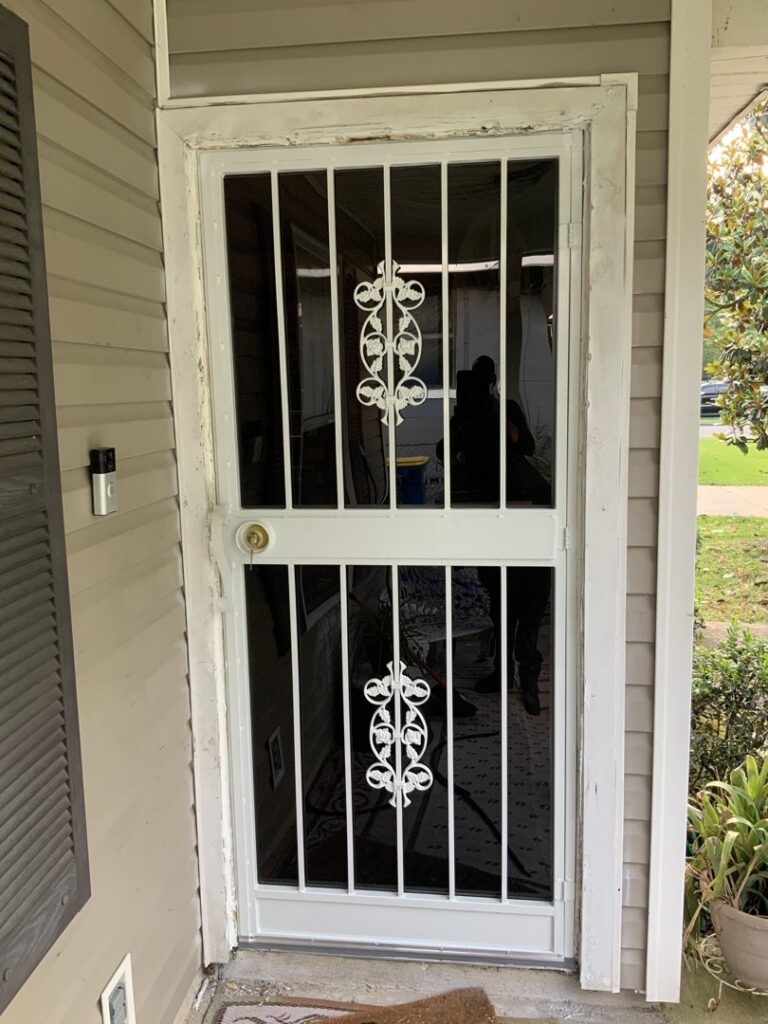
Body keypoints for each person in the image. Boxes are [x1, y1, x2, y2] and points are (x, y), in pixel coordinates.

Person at [438, 356, 551, 715]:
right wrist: (462, 424)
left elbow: (528, 446)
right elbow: (444, 451)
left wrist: (500, 416)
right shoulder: (466, 417)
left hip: (528, 502)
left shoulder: (506, 409)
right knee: (501, 595)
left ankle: (528, 679)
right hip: (491, 509)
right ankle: (505, 674)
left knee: (531, 594)